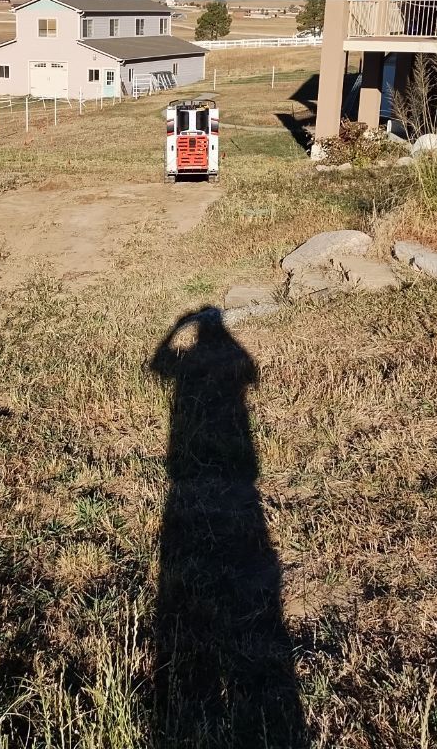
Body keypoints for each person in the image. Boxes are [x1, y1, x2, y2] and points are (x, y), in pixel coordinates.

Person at [148, 307, 306, 744]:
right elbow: (245, 374)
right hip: (235, 472)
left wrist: (175, 330)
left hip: (190, 474)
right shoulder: (236, 358)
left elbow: (158, 365)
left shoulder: (198, 361)